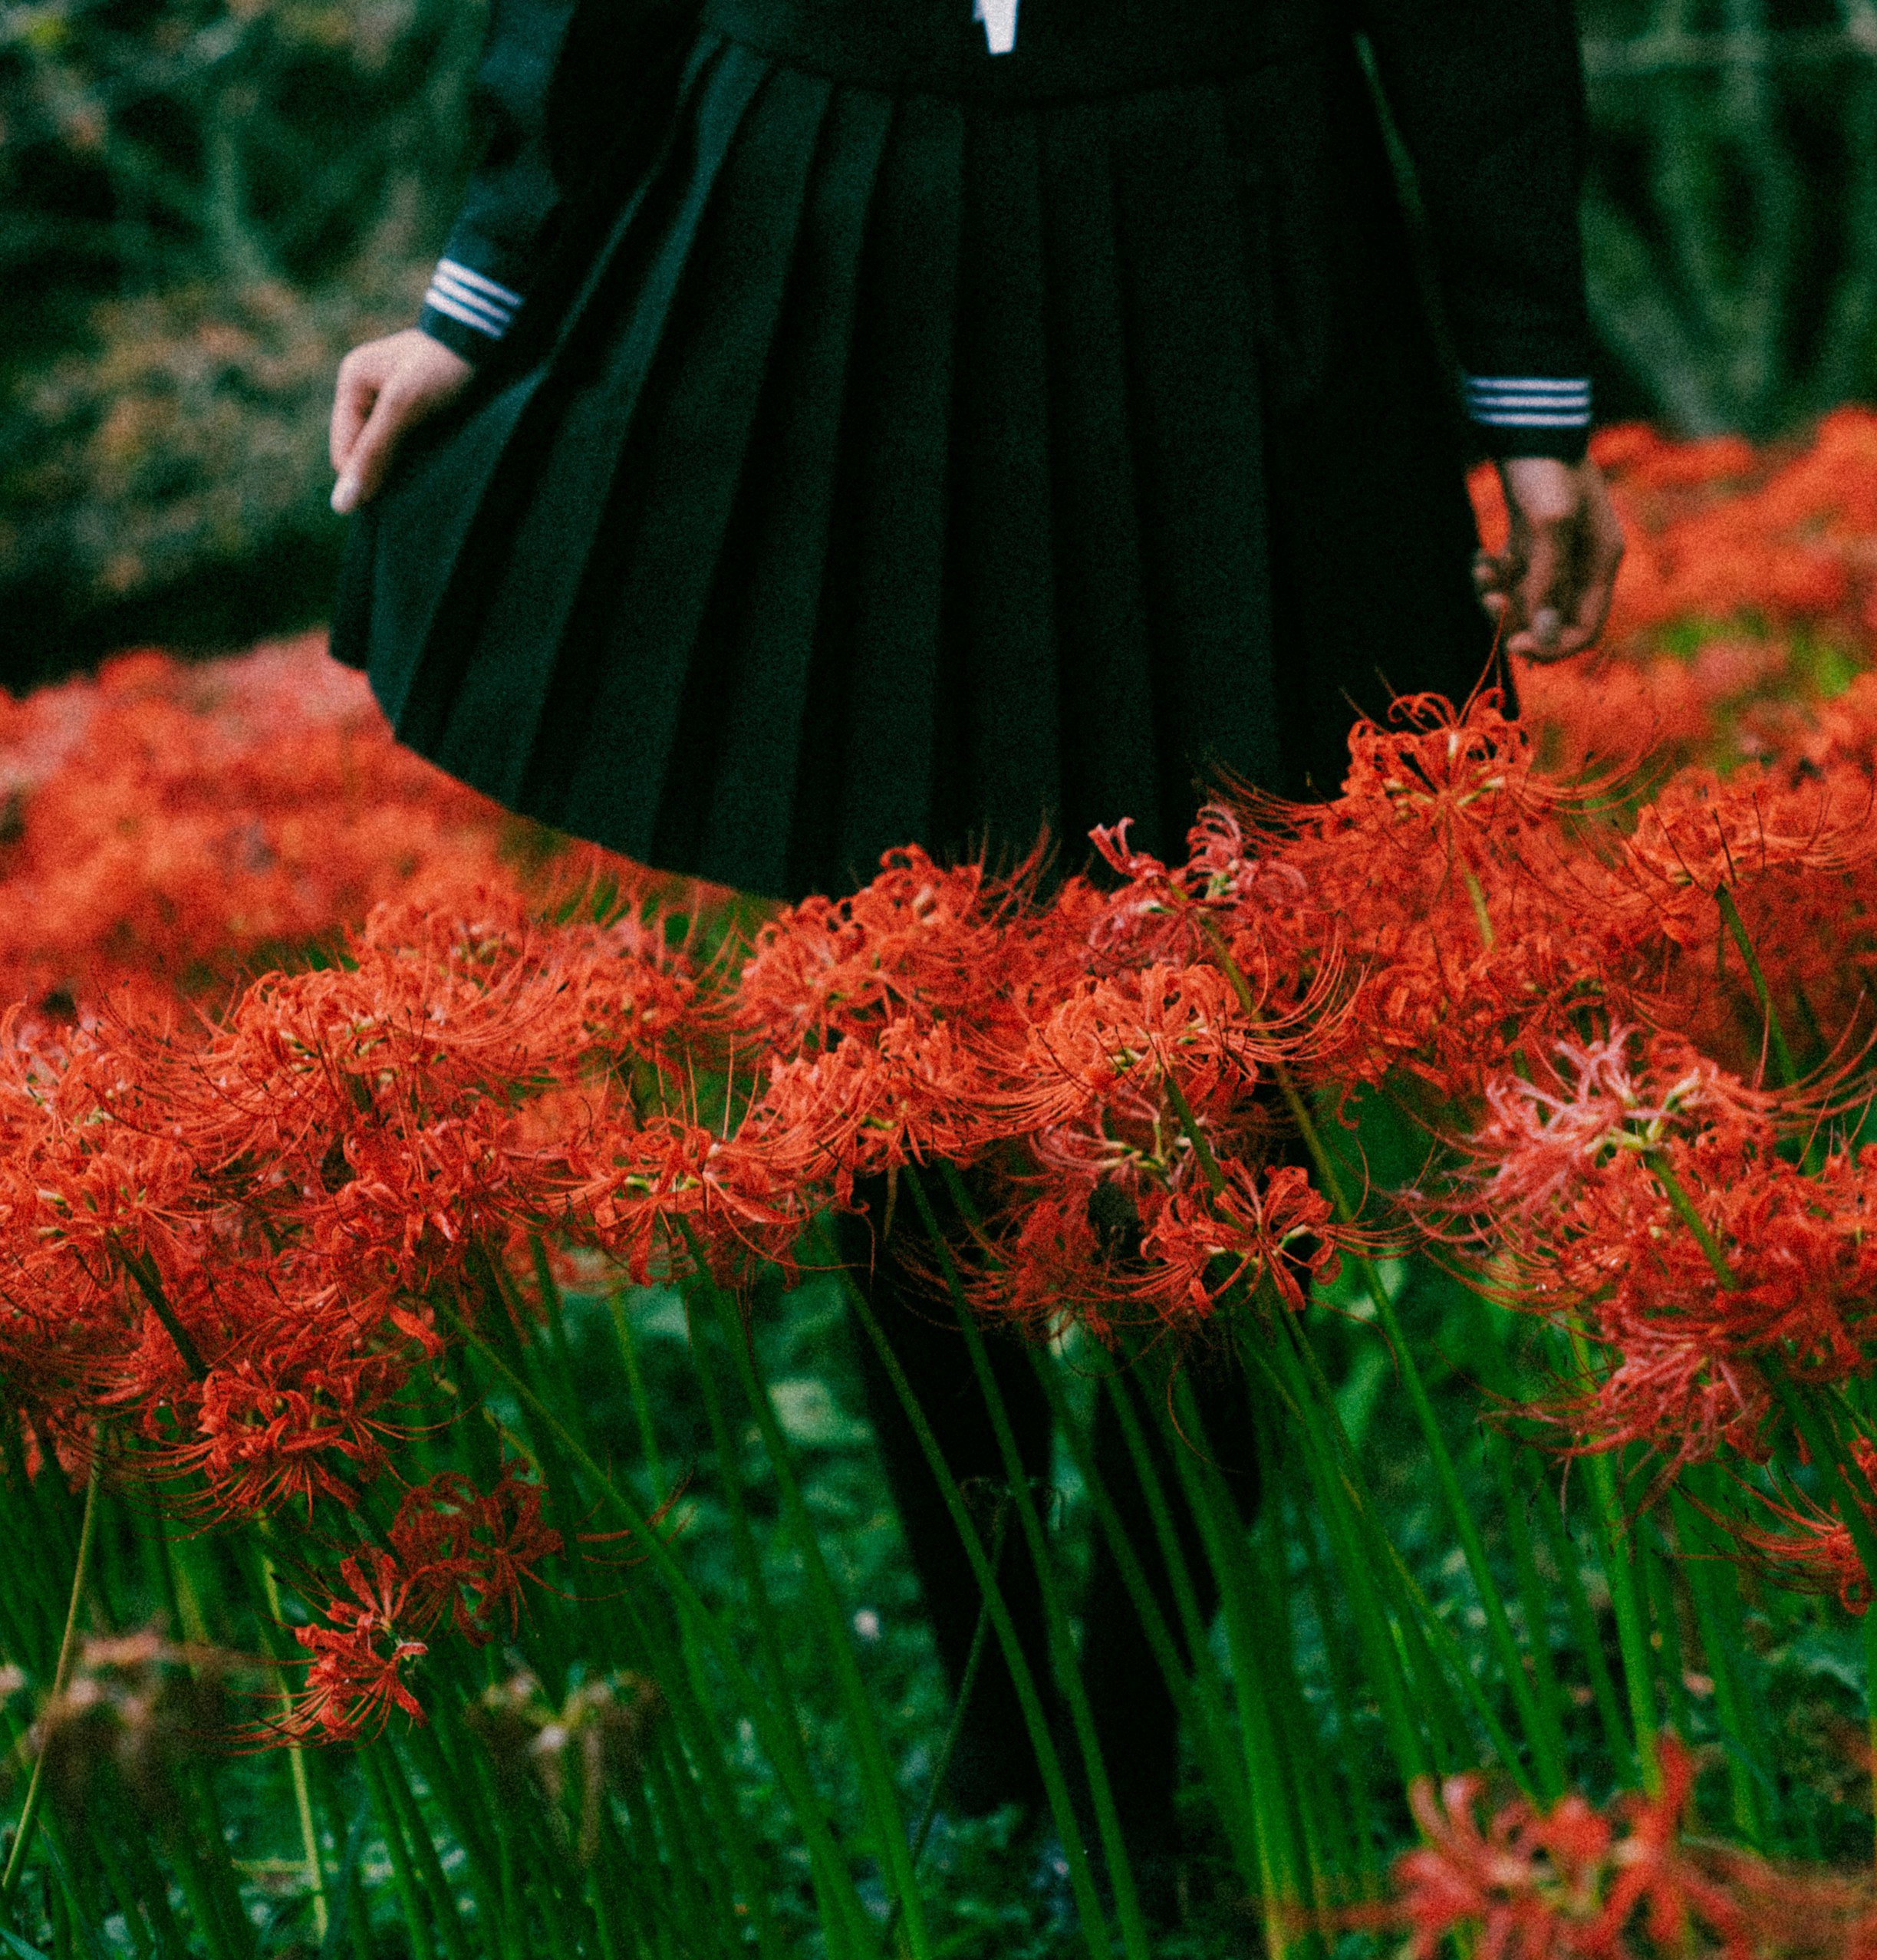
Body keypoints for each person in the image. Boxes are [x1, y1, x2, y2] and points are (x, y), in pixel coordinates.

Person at [320, 0, 1624, 1903]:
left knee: (1229, 1051)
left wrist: (1528, 392)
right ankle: (1006, 1731)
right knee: (899, 1045)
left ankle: (1139, 1712)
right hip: (826, 235)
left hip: (1233, 233)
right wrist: (479, 293)